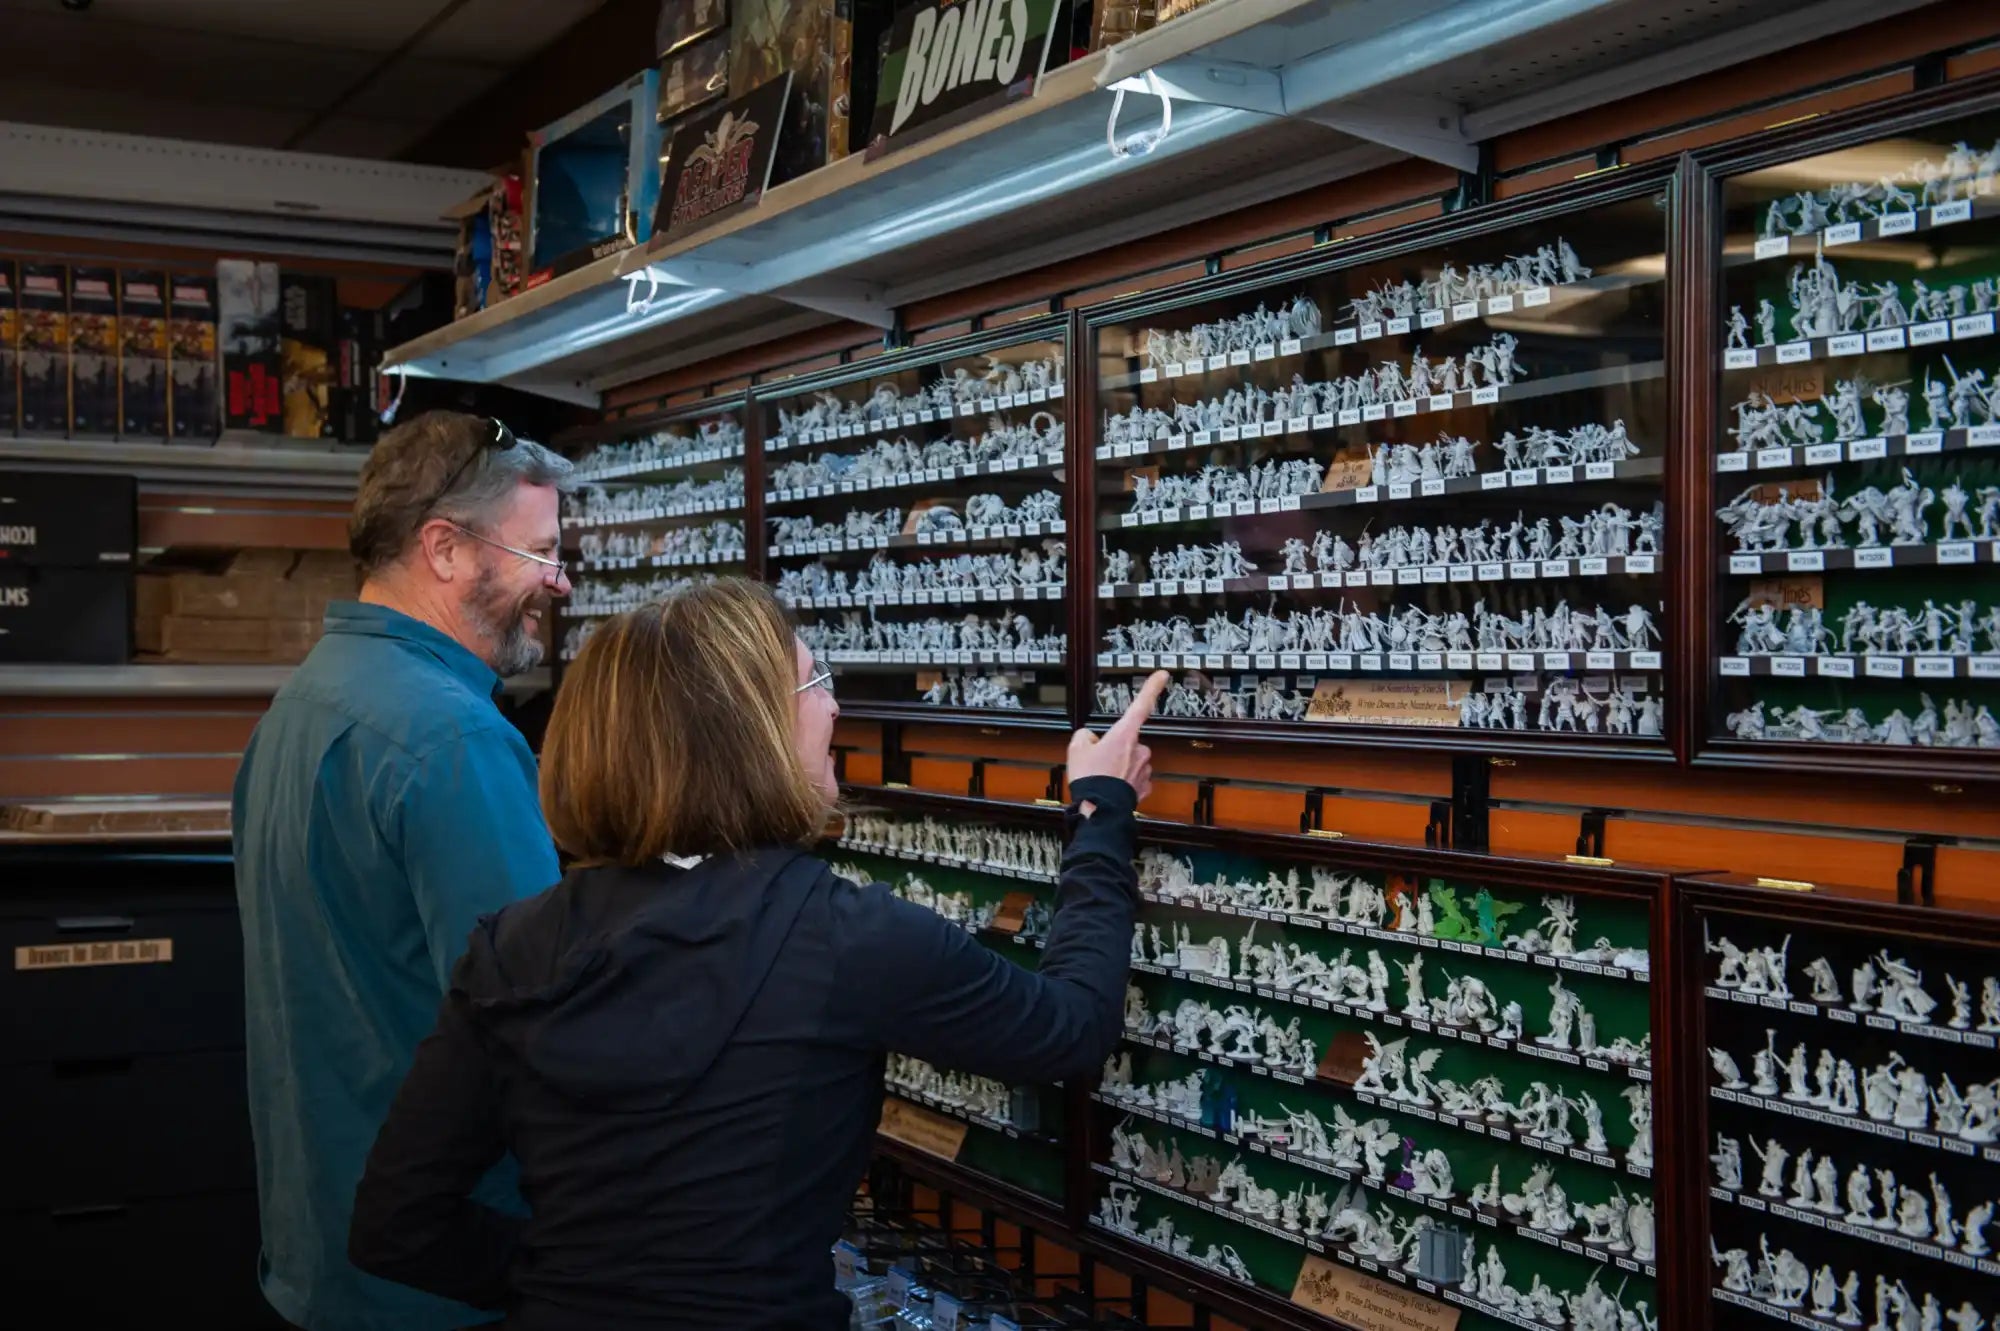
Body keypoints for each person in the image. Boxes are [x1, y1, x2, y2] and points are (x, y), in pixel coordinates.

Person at [348, 579, 1168, 1329]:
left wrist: (565, 1284)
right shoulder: (844, 936)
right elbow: (1069, 1026)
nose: (835, 709)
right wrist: (1100, 810)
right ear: (747, 731)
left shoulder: (511, 946)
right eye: (814, 684)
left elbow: (395, 1222)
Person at [234, 410, 575, 1331]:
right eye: (541, 551)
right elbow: (539, 1031)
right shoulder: (454, 741)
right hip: (444, 1285)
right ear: (447, 549)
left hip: (323, 1261)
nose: (561, 578)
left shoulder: (298, 706)